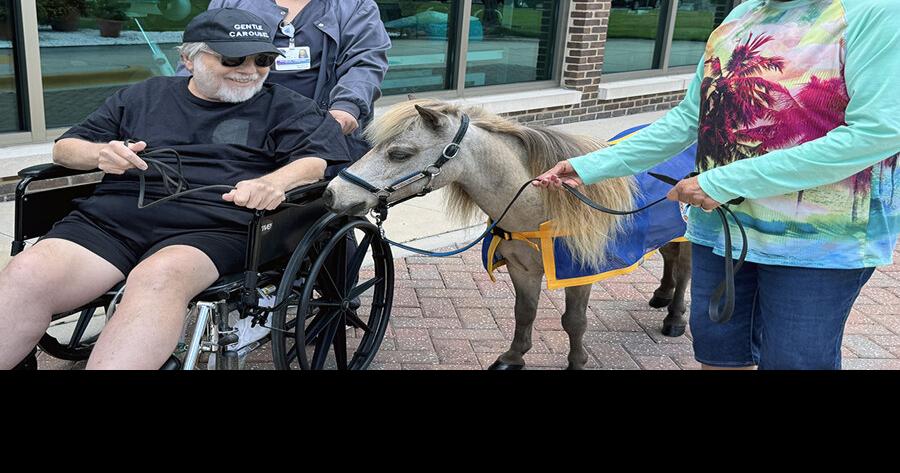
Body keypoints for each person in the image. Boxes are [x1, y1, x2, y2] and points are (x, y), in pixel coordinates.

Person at [535, 0, 900, 370]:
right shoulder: (742, 14)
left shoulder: (876, 11)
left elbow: (878, 132)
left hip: (819, 243)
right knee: (718, 354)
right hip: (721, 232)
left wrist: (722, 181)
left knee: (794, 361)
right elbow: (688, 119)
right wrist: (591, 166)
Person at [0, 8, 349, 370]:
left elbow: (315, 161)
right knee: (28, 272)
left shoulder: (287, 106)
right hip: (112, 220)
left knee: (159, 277)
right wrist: (99, 153)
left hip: (214, 226)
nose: (249, 69)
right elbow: (65, 147)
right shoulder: (144, 95)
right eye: (232, 58)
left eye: (262, 59)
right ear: (187, 58)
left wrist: (274, 182)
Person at [192, 0, 391, 163]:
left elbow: (365, 61)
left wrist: (347, 106)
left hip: (320, 129)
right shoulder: (232, 2)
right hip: (238, 126)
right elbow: (200, 54)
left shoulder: (355, 5)